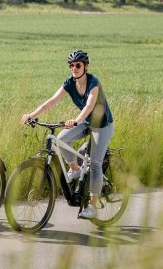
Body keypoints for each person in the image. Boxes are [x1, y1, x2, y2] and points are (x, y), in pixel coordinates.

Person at [21, 50, 114, 219]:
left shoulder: (94, 82)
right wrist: (32, 115)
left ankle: (92, 207)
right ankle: (76, 169)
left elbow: (89, 106)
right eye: (71, 65)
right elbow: (52, 101)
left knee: (94, 163)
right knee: (61, 139)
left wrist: (76, 120)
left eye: (78, 65)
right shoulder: (70, 83)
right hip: (85, 122)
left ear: (85, 66)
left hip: (102, 126)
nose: (74, 68)